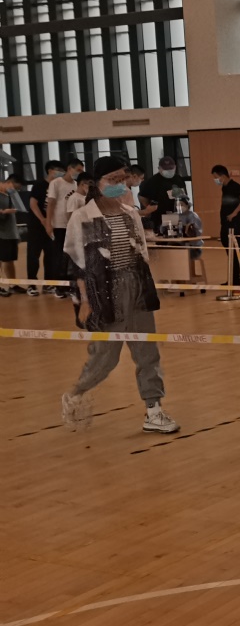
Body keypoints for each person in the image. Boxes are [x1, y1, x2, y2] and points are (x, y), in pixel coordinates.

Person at [59, 156, 179, 434]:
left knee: (147, 351)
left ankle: (154, 409)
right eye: (112, 179)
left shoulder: (130, 213)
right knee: (105, 357)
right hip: (104, 293)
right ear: (97, 183)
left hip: (137, 288)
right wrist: (84, 302)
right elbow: (77, 266)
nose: (119, 184)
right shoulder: (82, 217)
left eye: (122, 179)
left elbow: (142, 254)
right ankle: (76, 392)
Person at [46, 157, 85, 299]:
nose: (79, 173)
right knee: (59, 256)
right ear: (69, 169)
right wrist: (48, 223)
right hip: (59, 225)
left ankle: (70, 285)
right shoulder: (56, 183)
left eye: (81, 171)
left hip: (73, 226)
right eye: (78, 170)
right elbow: (51, 204)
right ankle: (59, 287)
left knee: (71, 257)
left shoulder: (76, 185)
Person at [25, 160, 61, 296]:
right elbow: (33, 204)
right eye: (58, 170)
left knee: (50, 256)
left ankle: (48, 284)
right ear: (50, 170)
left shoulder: (57, 186)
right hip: (36, 227)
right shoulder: (39, 185)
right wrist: (43, 219)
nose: (61, 173)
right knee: (33, 256)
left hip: (51, 226)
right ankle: (31, 285)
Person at [211, 165, 240, 286]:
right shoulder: (225, 187)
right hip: (226, 225)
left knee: (239, 251)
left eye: (216, 177)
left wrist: (234, 213)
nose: (215, 180)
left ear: (223, 176)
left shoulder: (235, 186)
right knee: (231, 253)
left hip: (235, 225)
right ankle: (233, 279)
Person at [138, 156, 187, 231]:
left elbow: (182, 197)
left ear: (175, 167)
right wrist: (149, 208)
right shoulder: (152, 181)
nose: (168, 171)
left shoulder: (178, 179)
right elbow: (142, 196)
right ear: (159, 168)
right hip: (159, 216)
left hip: (176, 214)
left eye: (170, 168)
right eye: (165, 169)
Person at [0, 175, 22, 296]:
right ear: (9, 182)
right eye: (15, 187)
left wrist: (16, 234)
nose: (15, 190)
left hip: (11, 233)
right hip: (2, 233)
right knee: (4, 260)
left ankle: (13, 284)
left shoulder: (10, 196)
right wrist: (3, 212)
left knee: (10, 260)